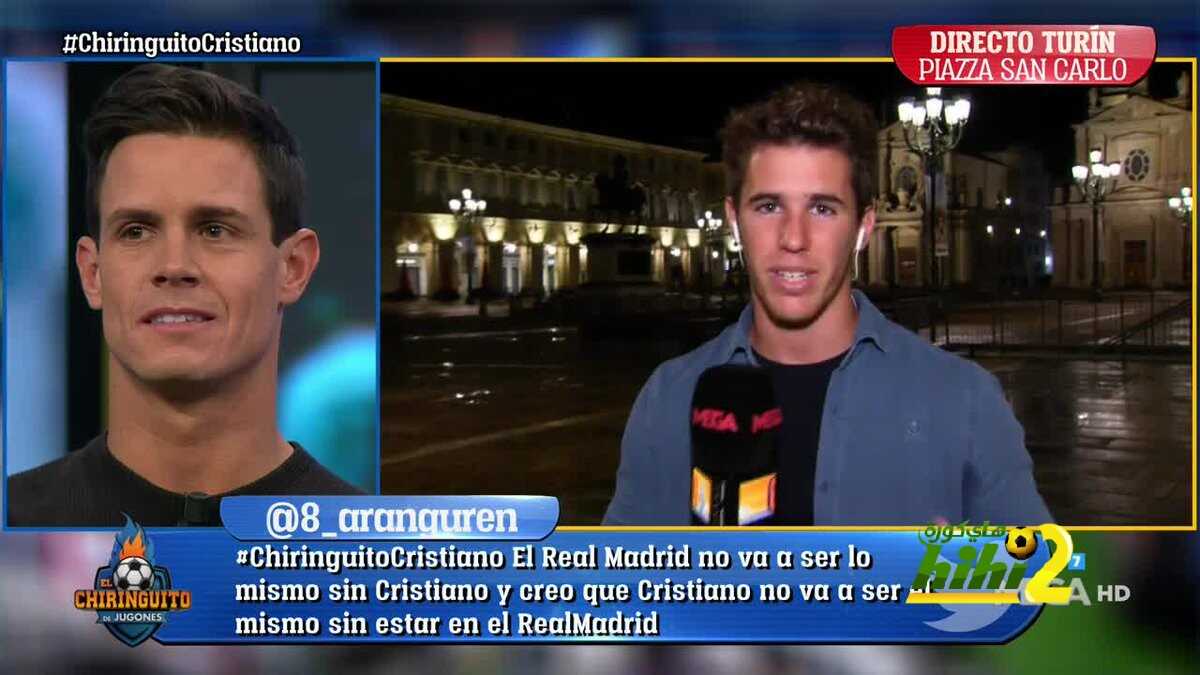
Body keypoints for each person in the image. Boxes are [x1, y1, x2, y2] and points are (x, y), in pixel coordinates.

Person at [603, 82, 1051, 526]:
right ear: (734, 222)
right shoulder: (668, 399)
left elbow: (1042, 569)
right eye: (768, 206)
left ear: (863, 228)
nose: (793, 238)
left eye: (822, 209)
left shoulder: (965, 401)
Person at [8, 64, 361, 527]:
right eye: (136, 231)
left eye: (214, 229)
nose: (174, 266)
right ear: (92, 274)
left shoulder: (376, 550)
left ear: (292, 267)